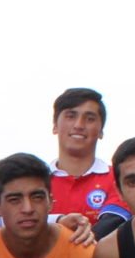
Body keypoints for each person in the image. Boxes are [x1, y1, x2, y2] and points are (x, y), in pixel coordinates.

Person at [47, 87, 128, 233]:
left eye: (90, 119)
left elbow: (111, 227)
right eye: (71, 116)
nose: (79, 125)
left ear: (101, 131)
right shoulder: (36, 181)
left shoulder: (118, 179)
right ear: (54, 126)